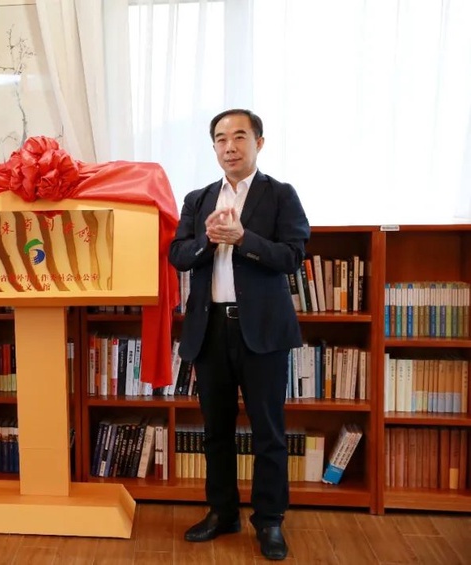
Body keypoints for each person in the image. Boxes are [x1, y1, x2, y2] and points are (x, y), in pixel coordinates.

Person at [169, 109, 309, 561]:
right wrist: (209, 241)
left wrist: (243, 237)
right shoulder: (198, 199)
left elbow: (292, 256)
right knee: (216, 430)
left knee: (268, 431)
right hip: (210, 329)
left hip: (262, 331)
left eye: (239, 137)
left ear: (259, 143)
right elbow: (178, 255)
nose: (229, 146)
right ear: (213, 146)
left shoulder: (280, 194)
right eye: (221, 139)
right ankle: (222, 512)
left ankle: (269, 521)